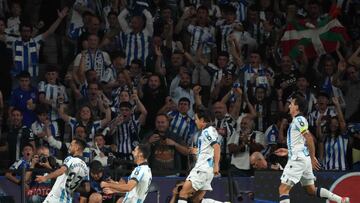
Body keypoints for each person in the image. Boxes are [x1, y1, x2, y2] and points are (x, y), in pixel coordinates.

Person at [278, 93, 350, 203]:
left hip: (298, 160)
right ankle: (341, 200)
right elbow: (300, 144)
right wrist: (289, 151)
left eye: (291, 104)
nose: (289, 106)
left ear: (297, 106)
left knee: (283, 189)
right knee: (311, 190)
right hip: (303, 158)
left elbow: (309, 139)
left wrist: (312, 158)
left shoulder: (299, 120)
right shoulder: (297, 121)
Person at [178, 107, 221, 203]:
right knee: (196, 200)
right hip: (207, 171)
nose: (195, 121)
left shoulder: (207, 132)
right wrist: (197, 151)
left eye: (196, 119)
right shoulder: (212, 130)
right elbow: (209, 150)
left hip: (202, 169)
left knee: (183, 193)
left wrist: (216, 165)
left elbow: (217, 147)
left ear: (202, 120)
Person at [35, 138, 90, 203]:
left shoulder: (70, 159)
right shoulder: (86, 168)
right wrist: (70, 186)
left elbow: (61, 171)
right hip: (67, 200)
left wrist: (45, 177)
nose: (69, 147)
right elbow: (87, 188)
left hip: (55, 198)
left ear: (77, 147)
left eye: (71, 145)